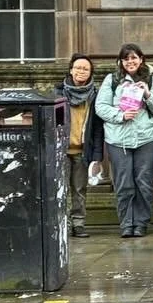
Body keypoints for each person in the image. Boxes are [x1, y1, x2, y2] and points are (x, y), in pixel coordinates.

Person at [94, 44, 153, 238]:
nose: (130, 62)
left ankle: (141, 223)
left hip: (148, 138)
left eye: (134, 58)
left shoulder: (151, 80)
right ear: (121, 62)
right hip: (119, 140)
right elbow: (100, 107)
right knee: (124, 183)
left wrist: (147, 94)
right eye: (126, 59)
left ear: (141, 59)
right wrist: (121, 115)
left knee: (144, 182)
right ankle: (127, 223)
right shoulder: (112, 80)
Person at [56, 53, 99, 238]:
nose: (81, 71)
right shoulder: (58, 93)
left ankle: (78, 224)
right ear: (71, 70)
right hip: (61, 150)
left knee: (79, 189)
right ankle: (61, 224)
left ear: (90, 73)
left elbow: (97, 128)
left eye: (85, 69)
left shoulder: (95, 96)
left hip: (82, 150)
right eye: (78, 67)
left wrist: (97, 155)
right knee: (60, 189)